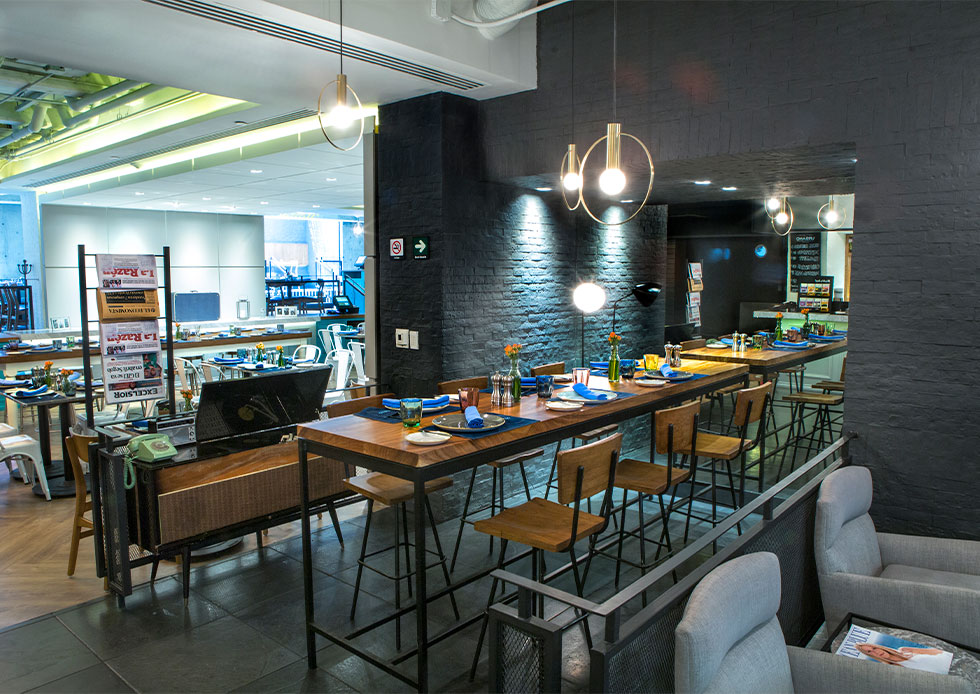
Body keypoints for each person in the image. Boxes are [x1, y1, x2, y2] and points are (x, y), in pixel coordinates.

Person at [856, 642, 945, 671]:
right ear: (869, 655)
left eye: (874, 648)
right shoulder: (892, 667)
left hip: (946, 659)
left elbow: (935, 651)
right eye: (869, 651)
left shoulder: (903, 650)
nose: (876, 651)